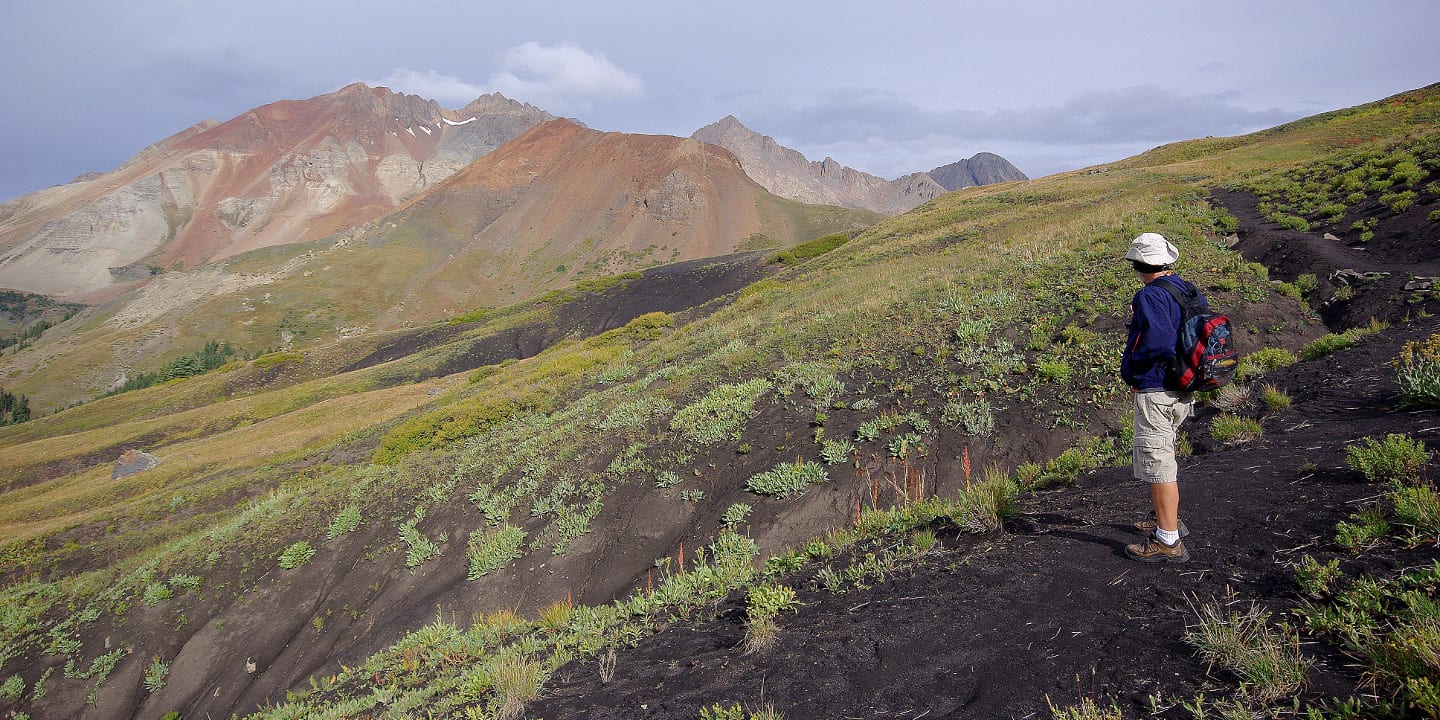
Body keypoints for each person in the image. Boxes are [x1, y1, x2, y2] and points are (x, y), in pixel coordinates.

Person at [1119, 232, 1197, 563]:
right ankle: (1163, 516)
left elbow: (1159, 342)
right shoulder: (1184, 288)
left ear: (1139, 263)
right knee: (1163, 454)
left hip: (1157, 388)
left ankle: (1167, 539)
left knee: (1159, 461)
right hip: (1183, 384)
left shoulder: (1149, 295)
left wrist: (1133, 367)